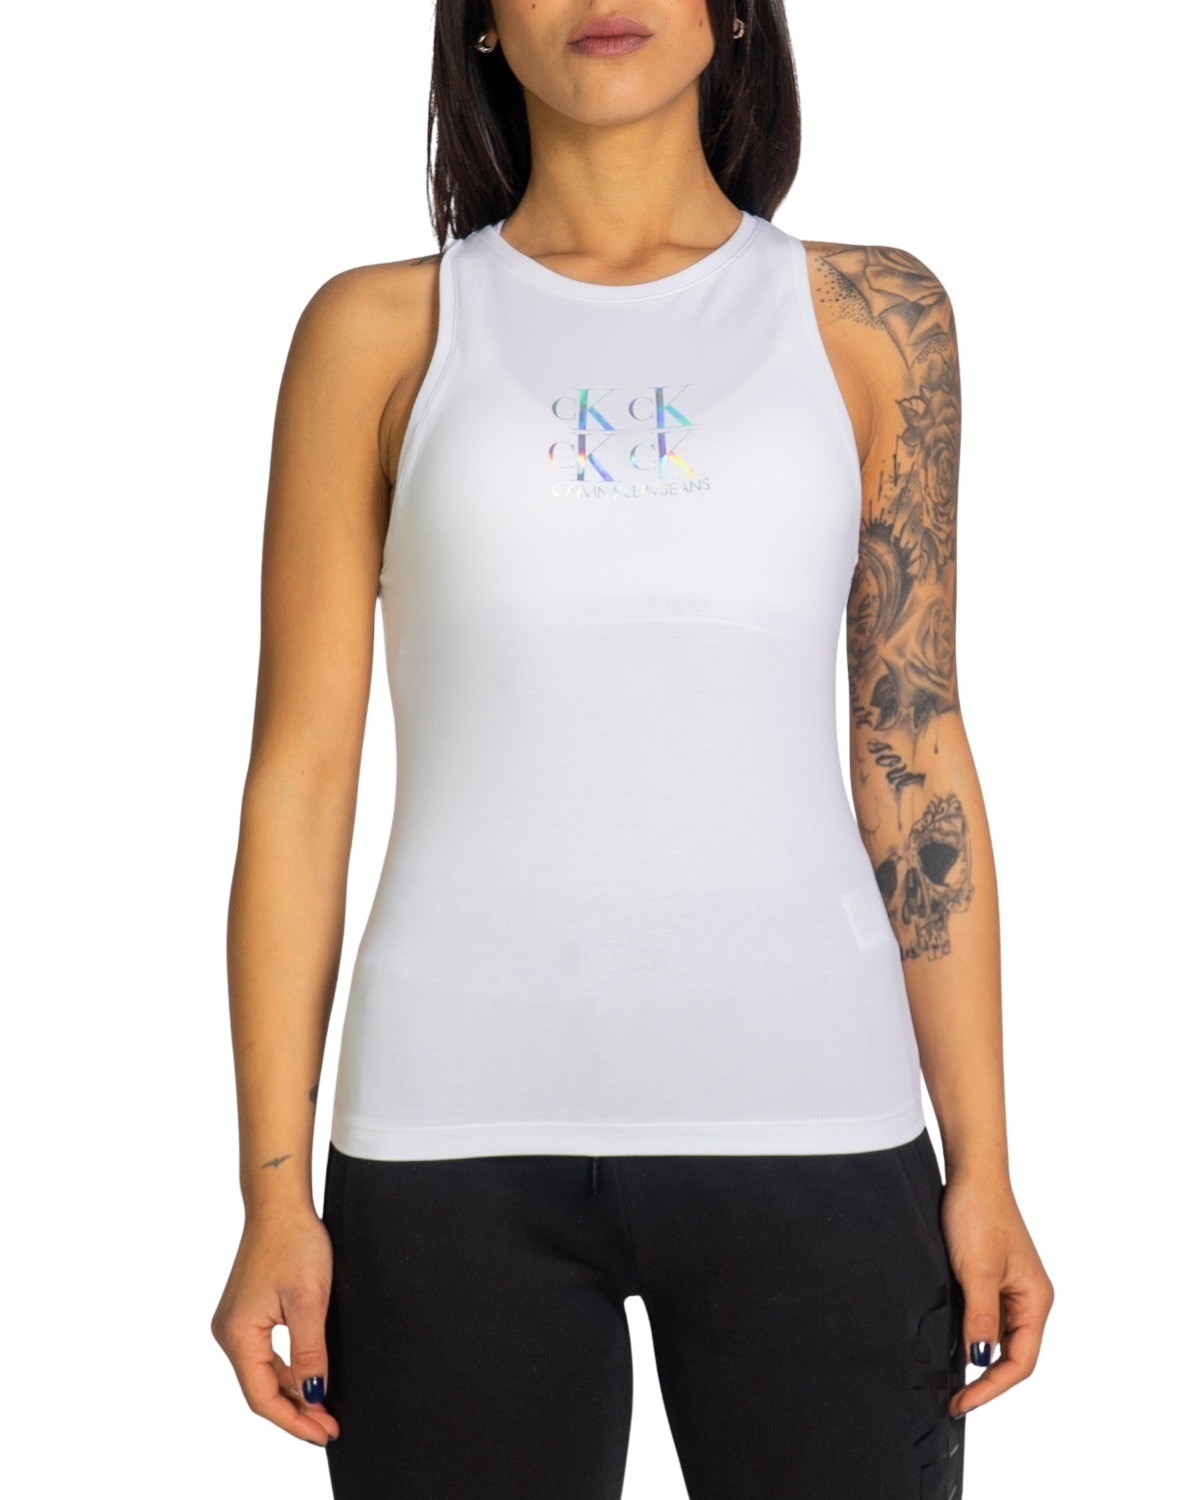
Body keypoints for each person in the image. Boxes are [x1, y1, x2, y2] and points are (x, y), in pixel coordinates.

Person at [211, 3, 1054, 1495]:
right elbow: (300, 781)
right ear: (482, 23)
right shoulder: (377, 333)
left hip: (817, 1116)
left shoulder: (875, 318)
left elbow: (913, 743)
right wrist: (272, 1193)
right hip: (447, 1139)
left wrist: (984, 1164)